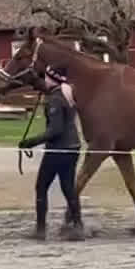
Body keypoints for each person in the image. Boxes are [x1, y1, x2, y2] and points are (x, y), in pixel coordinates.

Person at [19, 72, 84, 240]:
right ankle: (78, 226)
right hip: (73, 147)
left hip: (59, 149)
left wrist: (31, 142)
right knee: (68, 188)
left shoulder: (55, 99)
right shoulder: (66, 95)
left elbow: (56, 130)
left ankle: (40, 230)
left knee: (41, 187)